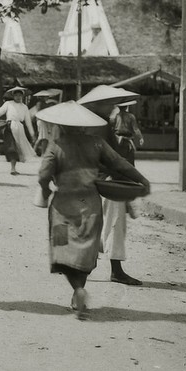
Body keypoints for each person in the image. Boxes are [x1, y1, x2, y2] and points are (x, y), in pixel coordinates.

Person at [37, 102, 149, 319]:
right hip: (90, 204)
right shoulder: (97, 144)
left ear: (62, 126)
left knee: (61, 250)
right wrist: (142, 179)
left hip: (61, 207)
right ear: (84, 126)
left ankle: (76, 289)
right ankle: (80, 287)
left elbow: (43, 176)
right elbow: (120, 163)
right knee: (85, 249)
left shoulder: (56, 145)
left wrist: (44, 189)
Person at [78, 85, 145, 286]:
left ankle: (83, 270)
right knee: (115, 224)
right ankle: (116, 270)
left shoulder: (82, 124)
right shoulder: (101, 126)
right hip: (107, 180)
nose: (112, 107)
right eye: (108, 104)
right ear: (98, 105)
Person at [0, 86, 37, 175]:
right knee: (11, 147)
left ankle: (14, 167)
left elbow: (28, 122)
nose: (18, 97)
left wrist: (32, 134)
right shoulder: (8, 104)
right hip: (9, 127)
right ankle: (13, 168)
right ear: (13, 96)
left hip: (19, 128)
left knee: (19, 147)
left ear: (22, 96)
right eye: (16, 95)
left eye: (20, 95)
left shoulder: (24, 107)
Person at [112, 101, 144, 165]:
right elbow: (135, 129)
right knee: (129, 160)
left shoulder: (116, 116)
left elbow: (112, 128)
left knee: (118, 159)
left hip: (118, 139)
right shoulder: (130, 116)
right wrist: (141, 138)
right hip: (124, 139)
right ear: (126, 107)